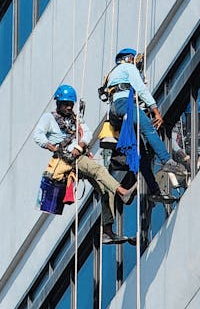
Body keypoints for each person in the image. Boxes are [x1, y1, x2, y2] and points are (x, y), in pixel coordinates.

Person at [34, 85, 136, 244]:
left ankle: (107, 232)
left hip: (77, 155)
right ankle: (123, 192)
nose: (69, 107)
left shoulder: (75, 119)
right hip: (67, 159)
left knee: (105, 190)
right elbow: (38, 135)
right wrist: (54, 148)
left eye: (70, 104)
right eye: (65, 104)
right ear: (58, 103)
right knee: (98, 170)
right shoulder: (49, 118)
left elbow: (87, 133)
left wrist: (80, 145)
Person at [105, 48, 185, 176]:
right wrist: (155, 110)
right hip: (125, 104)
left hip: (115, 109)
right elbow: (141, 89)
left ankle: (153, 189)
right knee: (148, 129)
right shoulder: (128, 68)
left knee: (140, 150)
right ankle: (167, 161)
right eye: (133, 58)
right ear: (129, 58)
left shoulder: (113, 73)